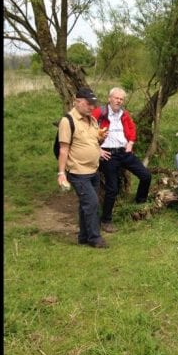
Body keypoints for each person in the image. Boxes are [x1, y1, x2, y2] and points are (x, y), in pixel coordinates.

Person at [92, 87, 151, 233]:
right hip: (108, 155)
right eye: (116, 98)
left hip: (124, 152)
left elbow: (132, 128)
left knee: (146, 176)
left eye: (121, 99)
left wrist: (131, 143)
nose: (119, 101)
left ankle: (139, 203)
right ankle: (106, 220)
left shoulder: (124, 114)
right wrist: (97, 149)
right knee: (113, 188)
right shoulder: (100, 112)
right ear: (109, 98)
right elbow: (86, 130)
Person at [56, 88, 109, 248]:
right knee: (92, 203)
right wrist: (61, 173)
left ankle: (83, 237)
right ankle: (95, 238)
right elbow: (64, 149)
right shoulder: (68, 121)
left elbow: (93, 143)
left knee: (85, 205)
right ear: (77, 101)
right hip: (78, 172)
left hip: (94, 170)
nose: (91, 107)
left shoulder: (91, 119)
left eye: (93, 104)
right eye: (88, 103)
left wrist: (100, 139)